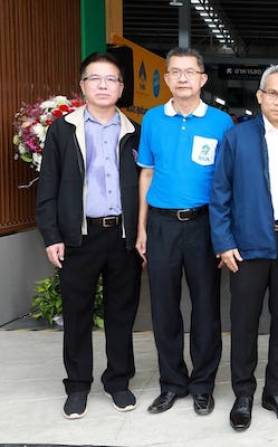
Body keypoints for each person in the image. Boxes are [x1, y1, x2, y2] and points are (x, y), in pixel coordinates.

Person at [209, 64, 278, 430]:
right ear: (259, 96)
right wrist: (224, 242)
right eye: (272, 92)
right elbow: (220, 192)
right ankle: (243, 394)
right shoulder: (237, 137)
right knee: (244, 322)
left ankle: (276, 393)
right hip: (247, 243)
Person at [36, 52, 142, 419]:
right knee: (77, 313)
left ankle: (118, 381)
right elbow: (48, 187)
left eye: (111, 79)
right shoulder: (63, 130)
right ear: (82, 85)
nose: (103, 85)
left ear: (121, 88)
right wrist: (52, 235)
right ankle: (78, 386)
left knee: (121, 314)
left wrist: (142, 232)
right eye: (95, 78)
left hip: (123, 236)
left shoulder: (134, 132)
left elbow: (147, 184)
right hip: (79, 237)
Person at [136, 47, 234, 416]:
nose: (182, 78)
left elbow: (228, 182)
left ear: (202, 79)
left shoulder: (221, 122)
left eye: (189, 71)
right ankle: (172, 383)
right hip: (161, 224)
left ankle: (203, 385)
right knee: (164, 307)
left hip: (204, 224)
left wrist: (225, 235)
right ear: (166, 78)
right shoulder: (152, 119)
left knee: (206, 308)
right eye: (175, 71)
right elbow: (146, 173)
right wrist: (142, 227)